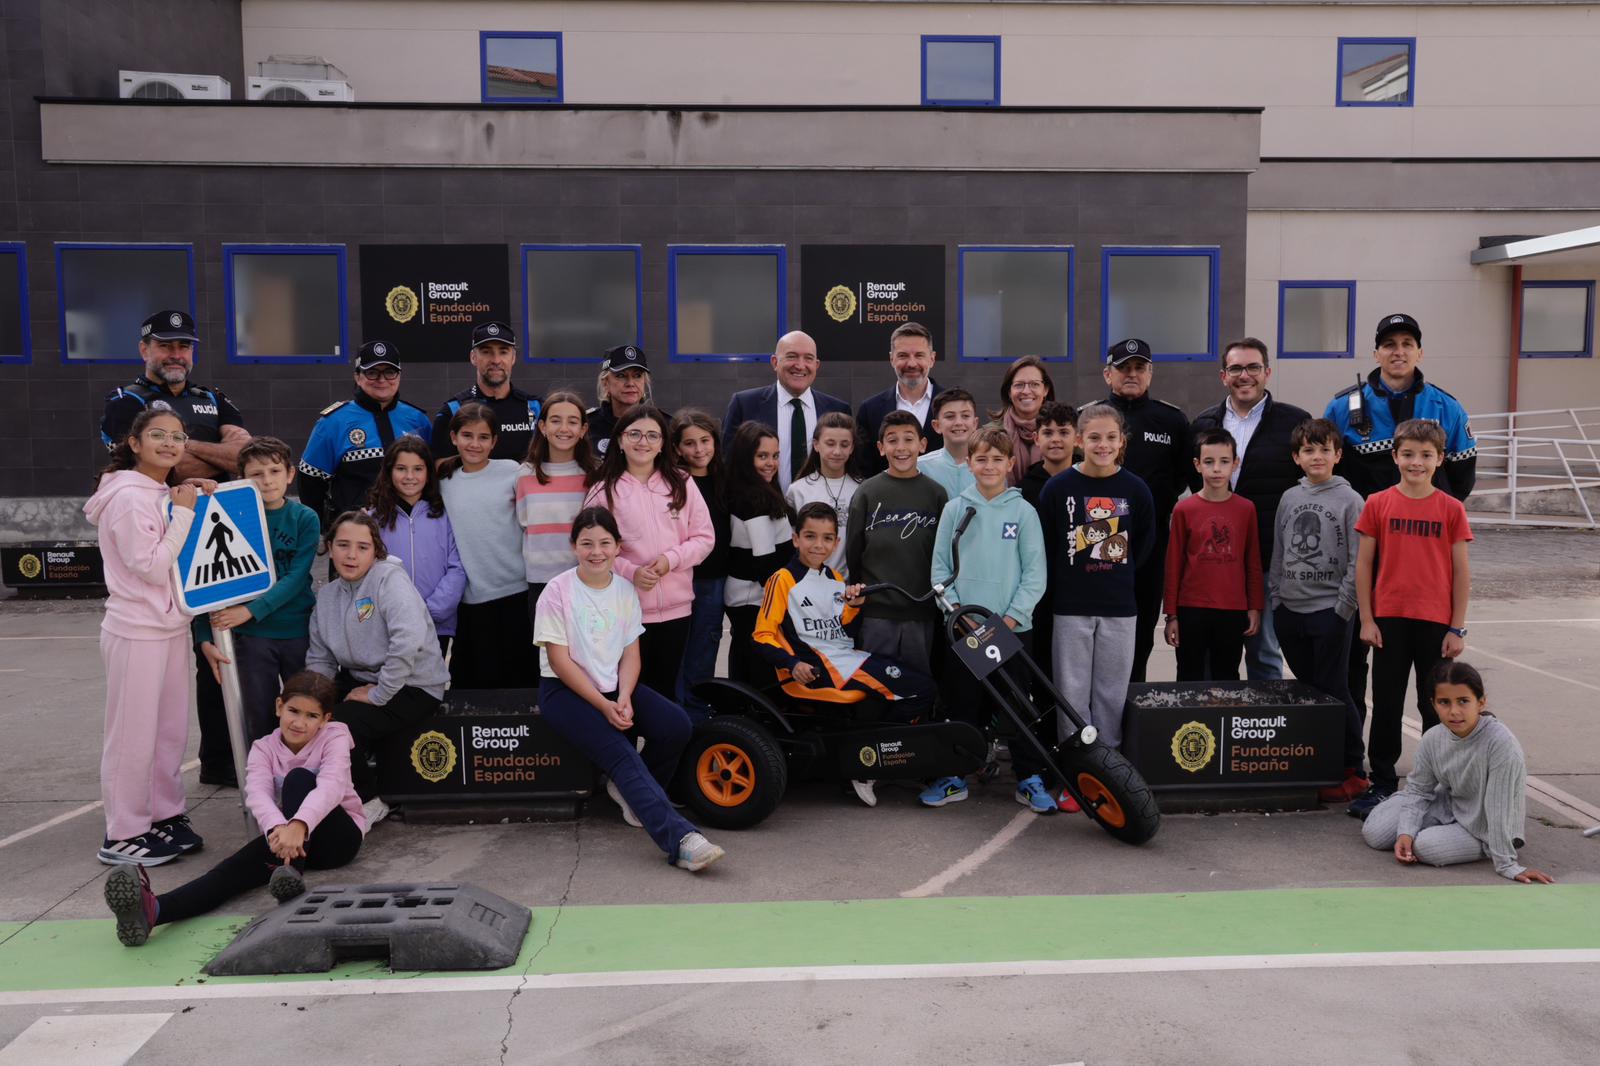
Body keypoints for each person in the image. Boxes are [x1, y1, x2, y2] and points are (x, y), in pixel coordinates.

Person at [102, 672, 368, 946]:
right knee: (231, 870)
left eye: (312, 716)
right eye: (293, 711)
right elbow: (257, 794)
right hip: (286, 841)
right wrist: (278, 829)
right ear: (279, 707)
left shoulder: (334, 737)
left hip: (337, 840)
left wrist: (298, 825)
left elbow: (331, 787)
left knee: (298, 779)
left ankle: (291, 875)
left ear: (325, 719)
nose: (299, 722)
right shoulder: (263, 748)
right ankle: (154, 910)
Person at [99, 309, 250, 788]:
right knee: (153, 698)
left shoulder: (213, 398)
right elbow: (168, 471)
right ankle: (139, 800)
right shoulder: (126, 401)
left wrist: (188, 450)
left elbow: (244, 458)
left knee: (221, 650)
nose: (175, 354)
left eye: (183, 346)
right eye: (165, 345)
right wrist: (206, 452)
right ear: (144, 349)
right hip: (161, 539)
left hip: (214, 537)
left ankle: (225, 761)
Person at [1323, 312, 1477, 768]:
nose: (1398, 351)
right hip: (1365, 555)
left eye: (1407, 343)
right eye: (1389, 344)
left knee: (1432, 689)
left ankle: (1436, 773)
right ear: (1376, 352)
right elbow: (1326, 470)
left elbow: (1461, 480)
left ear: (1419, 351)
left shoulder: (1446, 407)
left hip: (1424, 567)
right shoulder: (1343, 407)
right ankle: (1357, 766)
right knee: (1360, 672)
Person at [534, 506, 726, 871]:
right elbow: (559, 662)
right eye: (587, 543)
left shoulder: (624, 590)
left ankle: (631, 793)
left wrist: (623, 696)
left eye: (605, 543)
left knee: (676, 725)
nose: (596, 552)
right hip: (565, 691)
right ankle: (681, 840)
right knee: (623, 755)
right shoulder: (556, 591)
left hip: (613, 685)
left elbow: (631, 655)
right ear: (573, 546)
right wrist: (604, 705)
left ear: (618, 547)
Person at [86, 409, 212, 866]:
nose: (169, 443)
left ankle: (163, 814)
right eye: (158, 435)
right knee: (132, 736)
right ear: (135, 443)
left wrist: (195, 495)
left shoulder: (158, 491)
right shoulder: (126, 496)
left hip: (169, 624)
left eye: (177, 436)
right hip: (136, 629)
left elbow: (172, 522)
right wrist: (185, 512)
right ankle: (123, 833)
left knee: (167, 732)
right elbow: (153, 565)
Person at [753, 502, 937, 807]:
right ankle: (867, 765)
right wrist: (792, 663)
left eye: (827, 538)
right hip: (819, 670)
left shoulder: (836, 578)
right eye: (810, 536)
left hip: (848, 660)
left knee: (921, 686)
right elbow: (762, 635)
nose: (818, 545)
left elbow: (843, 628)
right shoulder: (782, 579)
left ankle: (877, 757)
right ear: (795, 539)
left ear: (836, 543)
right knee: (920, 690)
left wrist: (854, 605)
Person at [921, 425, 1051, 812]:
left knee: (1017, 704)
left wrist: (1009, 620)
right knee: (962, 703)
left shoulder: (1024, 512)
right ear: (969, 463)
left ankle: (1028, 778)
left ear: (1010, 464)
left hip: (1012, 629)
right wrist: (959, 616)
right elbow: (940, 570)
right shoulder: (955, 509)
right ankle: (955, 776)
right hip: (965, 629)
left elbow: (1035, 574)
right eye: (981, 459)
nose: (989, 466)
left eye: (997, 459)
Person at [1350, 418, 1473, 818]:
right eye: (1408, 454)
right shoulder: (1378, 502)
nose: (1416, 462)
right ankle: (1383, 783)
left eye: (1425, 455)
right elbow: (1364, 565)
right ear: (1395, 457)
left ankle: (1437, 784)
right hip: (1389, 619)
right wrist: (1367, 619)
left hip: (1435, 622)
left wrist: (1456, 627)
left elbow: (1461, 572)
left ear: (1440, 459)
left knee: (1433, 704)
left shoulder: (1451, 508)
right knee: (1386, 703)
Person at [306, 511, 450, 823]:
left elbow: (407, 642)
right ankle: (319, 791)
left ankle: (371, 799)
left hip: (413, 685)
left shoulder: (389, 581)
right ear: (330, 548)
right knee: (307, 717)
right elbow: (321, 659)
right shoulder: (327, 596)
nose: (351, 555)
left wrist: (379, 695)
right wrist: (311, 701)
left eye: (362, 547)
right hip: (360, 678)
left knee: (340, 725)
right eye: (343, 545)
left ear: (376, 552)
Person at [1361, 661, 1553, 884]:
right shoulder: (1433, 738)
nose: (1454, 711)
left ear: (1481, 702)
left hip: (1485, 825)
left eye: (1463, 701)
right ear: (1433, 704)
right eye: (1444, 702)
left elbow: (1498, 807)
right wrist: (1406, 831)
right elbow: (1419, 790)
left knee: (1424, 846)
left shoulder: (1501, 743)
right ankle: (1422, 824)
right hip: (1450, 805)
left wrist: (1507, 864)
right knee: (1376, 833)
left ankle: (1478, 844)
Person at [1186, 338, 1310, 681]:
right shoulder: (1203, 424)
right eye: (1236, 368)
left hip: (1268, 557)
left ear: (1267, 372)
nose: (1245, 375)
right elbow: (1194, 483)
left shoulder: (1294, 422)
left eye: (1253, 367)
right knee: (1212, 655)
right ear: (1223, 375)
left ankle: (1263, 716)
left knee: (1264, 653)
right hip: (1214, 562)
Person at [1038, 402, 1155, 752]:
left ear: (1122, 441)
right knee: (1071, 691)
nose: (1103, 445)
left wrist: (1115, 575)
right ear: (1079, 440)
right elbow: (1047, 546)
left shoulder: (1136, 489)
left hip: (1119, 608)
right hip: (1070, 607)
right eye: (1094, 438)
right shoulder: (1058, 488)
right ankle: (1075, 760)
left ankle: (1107, 762)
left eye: (1110, 437)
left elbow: (1144, 546)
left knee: (1111, 692)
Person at [584, 406, 715, 700]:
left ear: (662, 444)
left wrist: (671, 560)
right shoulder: (603, 491)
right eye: (635, 434)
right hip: (625, 612)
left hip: (677, 611)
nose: (643, 442)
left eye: (652, 435)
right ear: (620, 440)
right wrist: (630, 572)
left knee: (665, 692)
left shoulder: (682, 483)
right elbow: (592, 550)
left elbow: (705, 537)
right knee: (628, 692)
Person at [1269, 417, 1369, 803]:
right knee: (1310, 689)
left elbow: (1358, 560)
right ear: (1297, 457)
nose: (1317, 457)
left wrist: (1343, 607)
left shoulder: (1350, 500)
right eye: (1308, 450)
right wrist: (1277, 598)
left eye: (1324, 450)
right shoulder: (1289, 498)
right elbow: (1280, 550)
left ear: (1337, 455)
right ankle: (1319, 761)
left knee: (1335, 690)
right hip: (1290, 610)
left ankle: (1353, 769)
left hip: (1330, 611)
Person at [195, 437, 320, 742]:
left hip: (297, 631)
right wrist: (203, 634)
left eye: (275, 471)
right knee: (259, 715)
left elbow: (296, 577)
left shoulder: (305, 518)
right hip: (253, 637)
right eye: (257, 474)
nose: (267, 480)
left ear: (290, 474)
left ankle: (304, 769)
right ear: (242, 478)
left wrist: (250, 610)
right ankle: (262, 770)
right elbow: (205, 578)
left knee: (305, 712)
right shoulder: (230, 516)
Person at [1097, 338, 1189, 684]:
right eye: (1124, 368)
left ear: (1150, 373)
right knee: (1099, 630)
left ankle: (1133, 697)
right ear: (1108, 374)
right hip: (1097, 541)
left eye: (1139, 368)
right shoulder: (1091, 418)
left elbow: (1180, 477)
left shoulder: (1172, 421)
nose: (1131, 374)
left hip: (1151, 545)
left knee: (1141, 629)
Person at [845, 411, 949, 676]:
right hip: (876, 612)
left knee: (917, 680)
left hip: (921, 610)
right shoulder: (867, 492)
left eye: (908, 439)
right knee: (876, 681)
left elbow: (942, 553)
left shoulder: (936, 493)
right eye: (892, 440)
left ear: (922, 445)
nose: (901, 447)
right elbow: (854, 549)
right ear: (881, 448)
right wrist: (858, 588)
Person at [436, 403, 529, 689]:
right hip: (471, 598)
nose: (475, 444)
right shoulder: (444, 481)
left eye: (483, 437)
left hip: (517, 592)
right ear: (453, 437)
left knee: (520, 679)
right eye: (467, 435)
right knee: (474, 683)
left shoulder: (512, 471)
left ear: (494, 441)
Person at [297, 342, 432, 534]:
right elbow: (310, 481)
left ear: (399, 376)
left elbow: (431, 478)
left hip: (411, 533)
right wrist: (329, 529)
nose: (381, 380)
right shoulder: (333, 422)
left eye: (390, 372)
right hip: (356, 536)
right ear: (357, 377)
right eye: (372, 372)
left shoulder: (418, 420)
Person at [1163, 428, 1263, 682]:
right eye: (1209, 462)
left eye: (1224, 461)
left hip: (1232, 608)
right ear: (1197, 465)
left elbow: (1252, 562)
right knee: (1189, 676)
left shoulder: (1246, 509)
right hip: (1191, 608)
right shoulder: (1184, 509)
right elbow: (1173, 564)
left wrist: (1254, 607)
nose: (1217, 469)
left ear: (1235, 464)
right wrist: (1171, 614)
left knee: (1227, 676)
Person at [367, 437, 466, 659]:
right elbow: (368, 572)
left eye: (418, 469)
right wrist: (392, 613)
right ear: (389, 472)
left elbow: (457, 567)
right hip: (389, 623)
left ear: (428, 473)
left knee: (428, 678)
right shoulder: (373, 520)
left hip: (435, 624)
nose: (410, 476)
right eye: (401, 469)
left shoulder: (444, 515)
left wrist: (432, 610)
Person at [723, 331, 850, 492]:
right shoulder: (744, 405)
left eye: (808, 358)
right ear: (775, 362)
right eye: (792, 356)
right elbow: (729, 463)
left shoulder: (838, 410)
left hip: (823, 506)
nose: (800, 365)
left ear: (816, 365)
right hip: (759, 505)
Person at [722, 422, 795, 686]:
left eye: (775, 455)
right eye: (762, 456)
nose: (771, 463)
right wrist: (785, 600)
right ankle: (748, 708)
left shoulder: (760, 490)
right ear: (745, 457)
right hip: (752, 597)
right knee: (755, 662)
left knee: (745, 653)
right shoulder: (752, 499)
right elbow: (765, 562)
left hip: (752, 595)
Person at [516, 391, 597, 624]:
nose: (564, 428)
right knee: (545, 647)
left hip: (584, 579)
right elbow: (522, 525)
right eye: (555, 420)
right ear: (542, 427)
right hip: (540, 583)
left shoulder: (594, 474)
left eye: (572, 422)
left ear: (583, 430)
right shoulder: (524, 475)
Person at [671, 410, 730, 721]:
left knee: (705, 647)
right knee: (676, 650)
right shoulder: (672, 482)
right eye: (689, 443)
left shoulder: (725, 479)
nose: (699, 449)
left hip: (714, 579)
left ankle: (697, 715)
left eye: (705, 441)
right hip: (678, 577)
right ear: (677, 448)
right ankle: (676, 713)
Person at [430, 321, 543, 463]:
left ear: (513, 357)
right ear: (473, 357)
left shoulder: (535, 407)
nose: (496, 360)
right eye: (486, 352)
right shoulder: (454, 410)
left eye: (503, 352)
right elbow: (439, 466)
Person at [854, 321, 945, 476]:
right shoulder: (870, 410)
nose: (911, 363)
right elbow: (864, 469)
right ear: (892, 359)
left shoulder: (951, 407)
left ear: (932, 358)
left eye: (919, 355)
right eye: (903, 355)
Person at [784, 412, 861, 577]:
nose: (837, 451)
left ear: (852, 448)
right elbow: (789, 544)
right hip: (806, 582)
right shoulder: (798, 490)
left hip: (849, 585)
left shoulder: (863, 489)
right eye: (830, 444)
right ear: (816, 445)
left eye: (844, 445)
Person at [994, 356, 1056, 487]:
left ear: (1045, 390)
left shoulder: (1064, 433)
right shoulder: (990, 434)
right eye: (1019, 385)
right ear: (1009, 392)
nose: (1026, 391)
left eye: (1034, 384)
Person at [587, 344, 655, 457]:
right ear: (605, 383)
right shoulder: (588, 425)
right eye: (621, 375)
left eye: (637, 376)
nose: (630, 383)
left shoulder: (662, 424)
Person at [916, 388, 979, 500]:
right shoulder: (920, 467)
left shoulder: (990, 465)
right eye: (950, 416)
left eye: (965, 416)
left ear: (975, 423)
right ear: (936, 425)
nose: (958, 422)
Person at [1019, 401, 1078, 509]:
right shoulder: (1023, 491)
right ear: (1036, 439)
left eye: (1064, 433)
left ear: (1077, 438)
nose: (1055, 439)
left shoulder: (1090, 479)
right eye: (1048, 433)